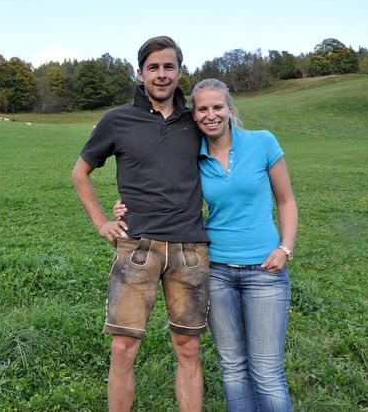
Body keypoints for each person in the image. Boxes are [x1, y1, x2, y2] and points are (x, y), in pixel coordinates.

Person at [114, 78, 298, 411]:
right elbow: (163, 189)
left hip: (265, 269)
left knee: (267, 371)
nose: (210, 115)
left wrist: (285, 248)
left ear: (230, 109)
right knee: (233, 367)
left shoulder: (263, 142)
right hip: (215, 270)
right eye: (202, 109)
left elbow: (286, 201)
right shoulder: (193, 156)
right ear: (194, 114)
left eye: (217, 107)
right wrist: (126, 208)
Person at [72, 36, 210, 412]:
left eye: (169, 67)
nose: (161, 74)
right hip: (137, 247)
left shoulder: (195, 121)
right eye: (153, 67)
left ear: (179, 71)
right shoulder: (117, 120)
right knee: (123, 347)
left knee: (189, 347)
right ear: (140, 73)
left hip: (189, 249)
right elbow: (80, 173)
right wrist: (102, 222)